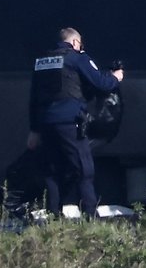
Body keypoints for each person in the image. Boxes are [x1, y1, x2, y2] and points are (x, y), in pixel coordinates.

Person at [29, 26, 123, 217]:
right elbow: (101, 83)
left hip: (46, 124)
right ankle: (90, 214)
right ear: (74, 42)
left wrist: (34, 130)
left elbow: (33, 98)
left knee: (52, 170)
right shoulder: (77, 57)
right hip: (70, 122)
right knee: (84, 168)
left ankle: (53, 216)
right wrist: (116, 77)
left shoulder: (41, 62)